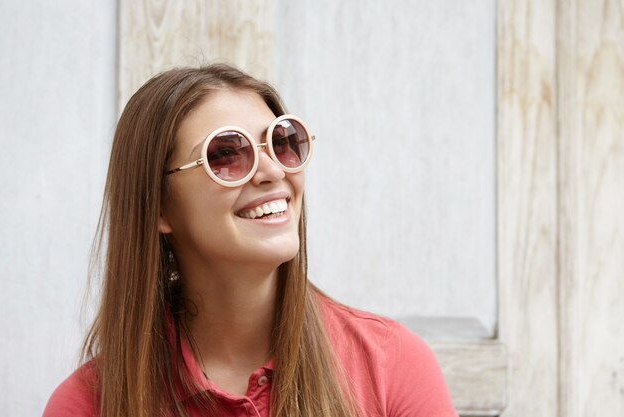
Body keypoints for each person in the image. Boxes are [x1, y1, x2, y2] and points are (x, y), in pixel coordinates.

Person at [43, 64, 458, 417]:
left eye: (281, 142)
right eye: (225, 154)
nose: (272, 171)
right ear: (160, 208)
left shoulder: (391, 364)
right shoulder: (86, 404)